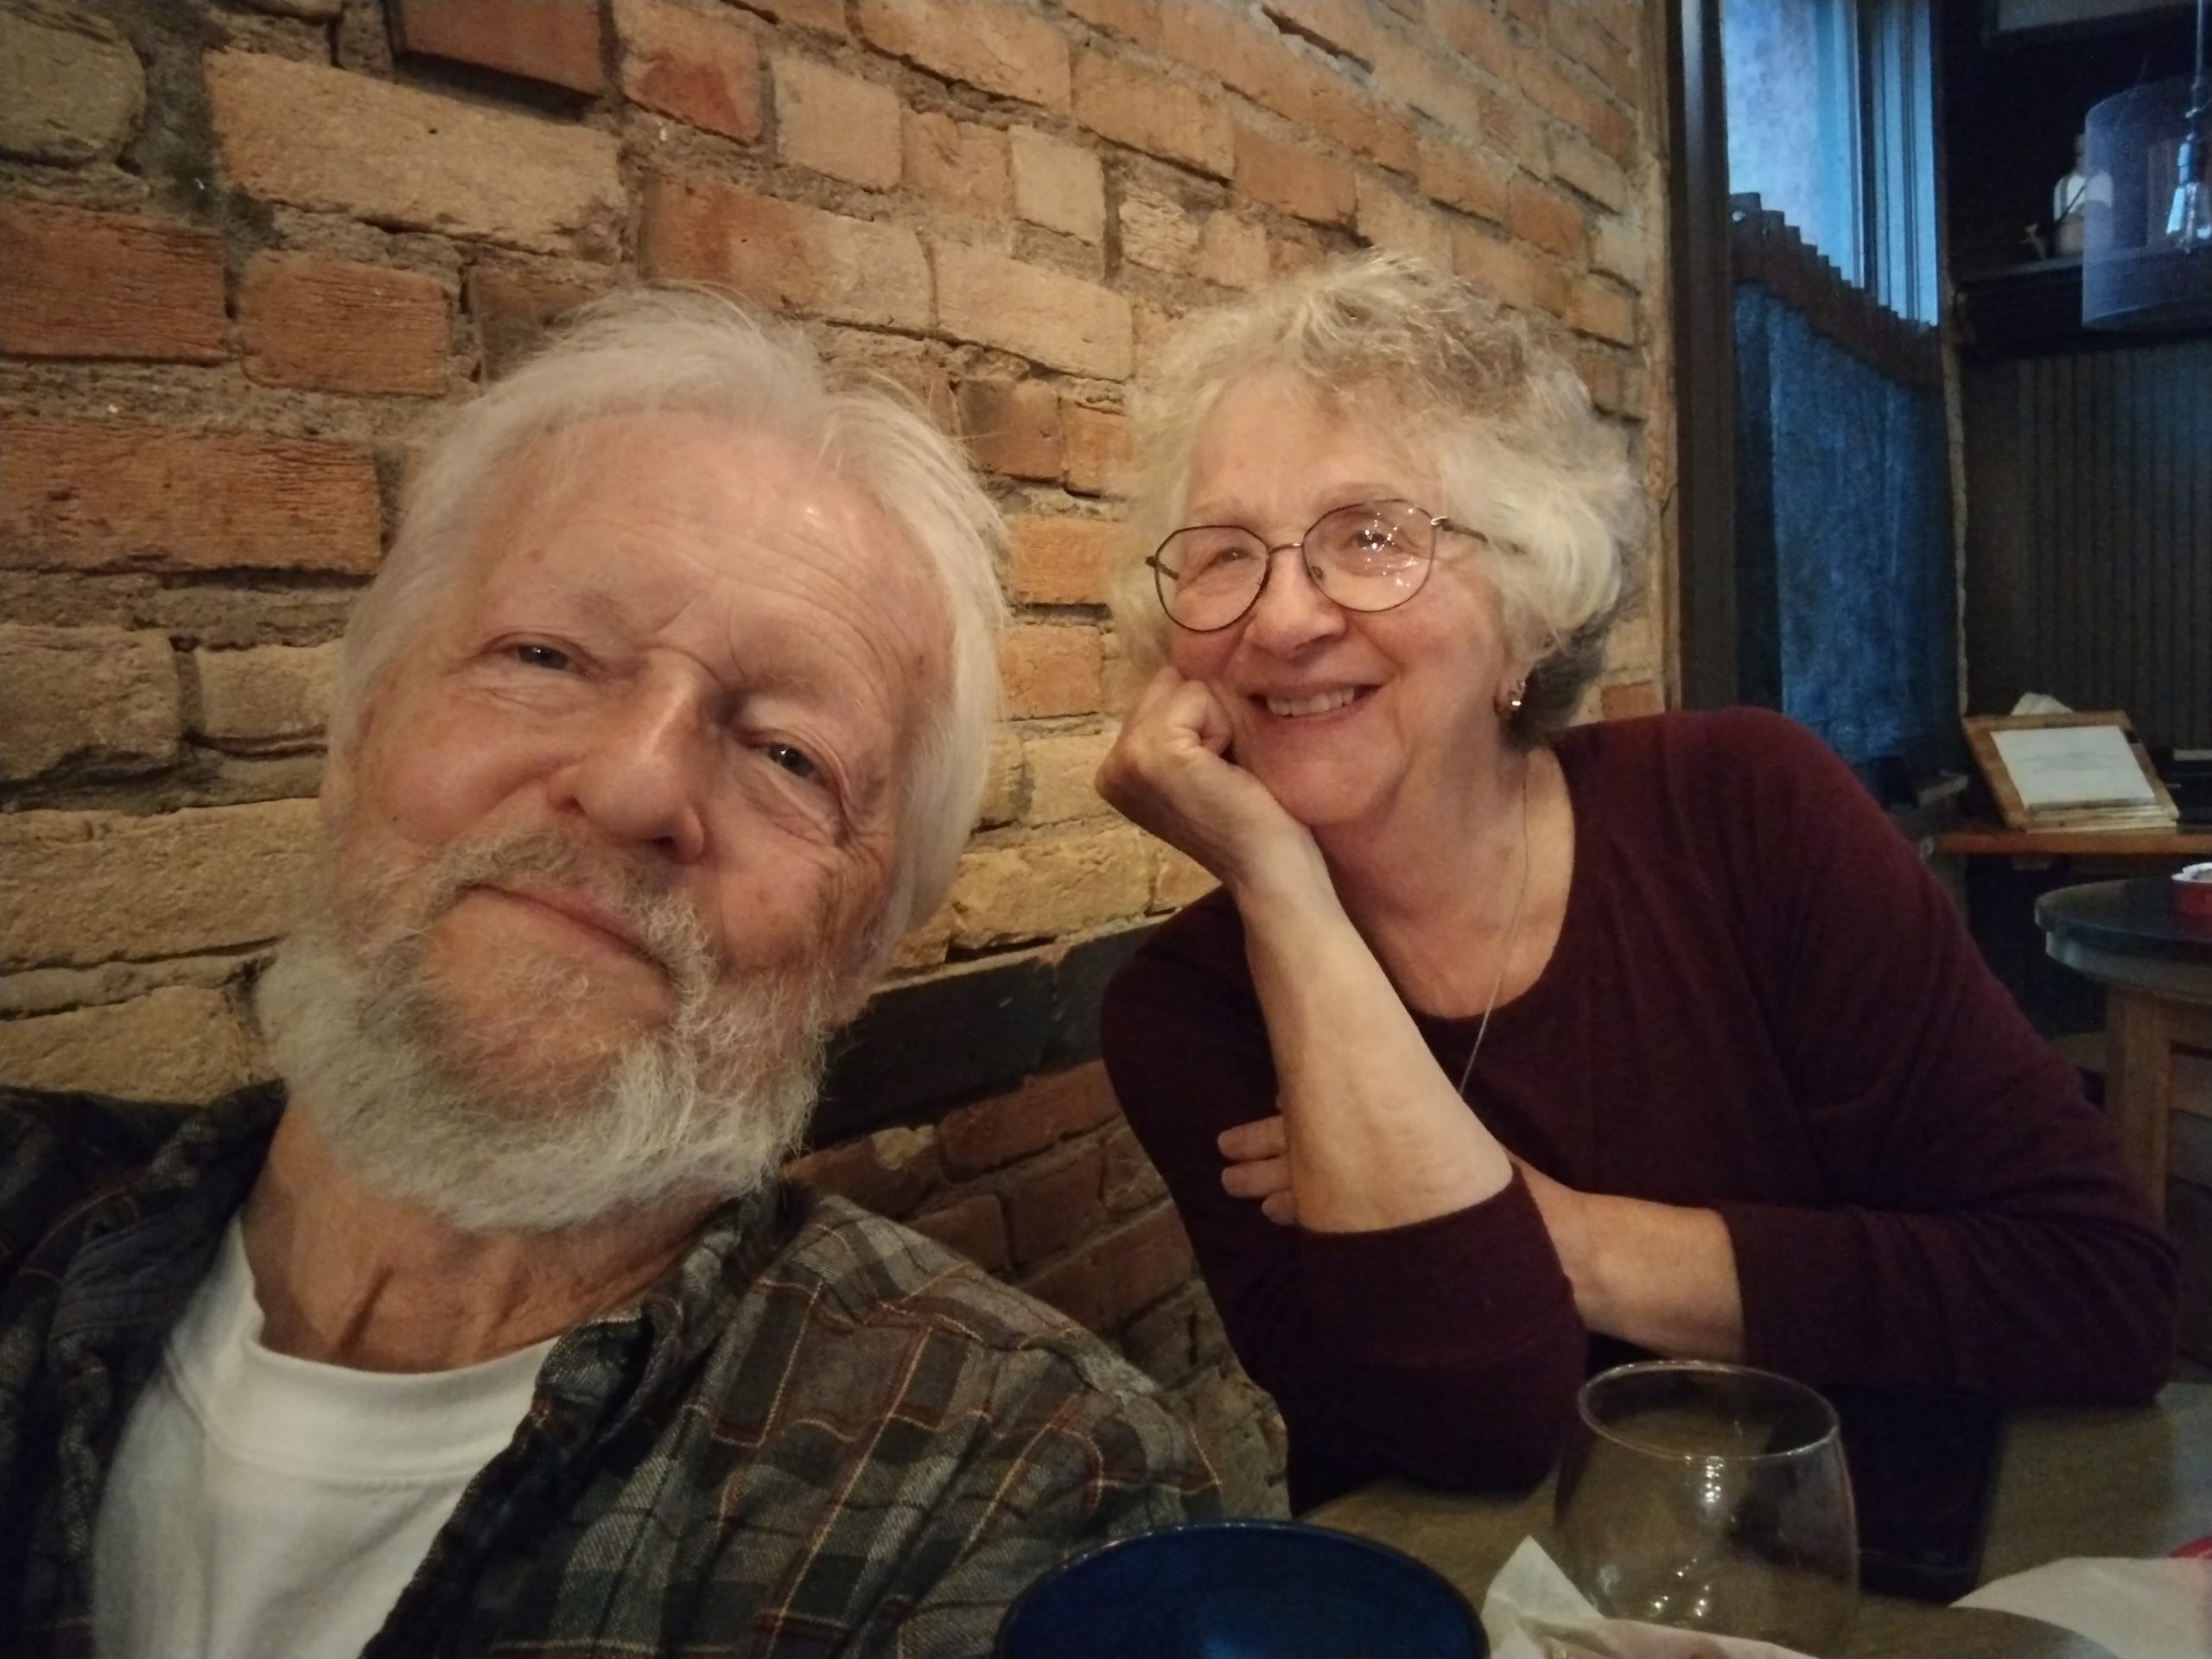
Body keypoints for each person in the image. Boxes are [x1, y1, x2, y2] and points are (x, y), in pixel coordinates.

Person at [0, 289, 1217, 1657]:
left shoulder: (1008, 1486)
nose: (636, 783)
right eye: (543, 656)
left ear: (862, 955)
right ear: (355, 738)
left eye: (790, 757)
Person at [1094, 251, 2177, 1512]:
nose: (1283, 620)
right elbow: (1472, 1432)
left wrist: (1565, 1237)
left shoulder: (1745, 812)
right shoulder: (1190, 1012)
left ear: (1534, 606)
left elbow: (2099, 1290)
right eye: (1226, 555)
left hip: (1846, 1566)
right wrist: (1281, 890)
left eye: (1372, 537)